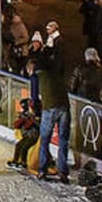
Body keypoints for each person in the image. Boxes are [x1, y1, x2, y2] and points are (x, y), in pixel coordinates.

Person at [34, 39, 71, 182]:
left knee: (45, 139)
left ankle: (42, 170)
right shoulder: (57, 68)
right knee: (63, 140)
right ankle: (62, 172)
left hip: (49, 107)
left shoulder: (41, 70)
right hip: (63, 104)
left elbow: (38, 61)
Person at [9, 98, 38, 171]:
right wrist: (21, 120)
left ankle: (23, 162)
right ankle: (15, 160)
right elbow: (17, 125)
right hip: (27, 135)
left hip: (33, 136)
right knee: (18, 145)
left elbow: (29, 125)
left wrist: (27, 120)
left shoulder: (33, 115)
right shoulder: (24, 114)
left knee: (24, 147)